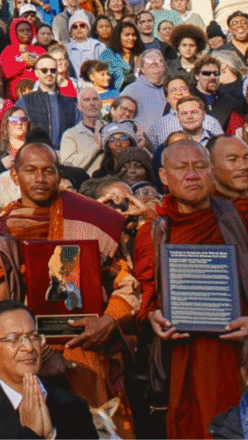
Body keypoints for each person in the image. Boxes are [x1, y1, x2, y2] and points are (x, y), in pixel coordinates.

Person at [1, 143, 138, 437]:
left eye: (48, 171)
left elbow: (126, 282)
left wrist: (109, 320)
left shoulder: (91, 218)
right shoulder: (2, 228)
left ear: (59, 174)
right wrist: (38, 348)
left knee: (95, 429)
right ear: (14, 176)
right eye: (31, 171)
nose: (40, 178)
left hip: (84, 346)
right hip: (26, 353)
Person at [129, 140, 248, 439]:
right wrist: (152, 315)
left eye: (201, 166)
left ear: (212, 172)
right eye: (182, 168)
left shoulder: (240, 219)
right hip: (181, 355)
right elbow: (147, 292)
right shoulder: (153, 232)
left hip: (240, 353)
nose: (192, 174)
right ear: (164, 176)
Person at [0, 300, 98, 439]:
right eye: (13, 339)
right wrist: (32, 433)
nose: (29, 347)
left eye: (33, 337)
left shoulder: (73, 405)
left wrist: (52, 436)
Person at [16, 54, 77, 149]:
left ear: (57, 72)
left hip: (65, 157)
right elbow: (14, 132)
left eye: (53, 70)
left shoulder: (71, 104)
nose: (49, 73)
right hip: (37, 156)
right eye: (44, 70)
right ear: (36, 73)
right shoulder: (25, 101)